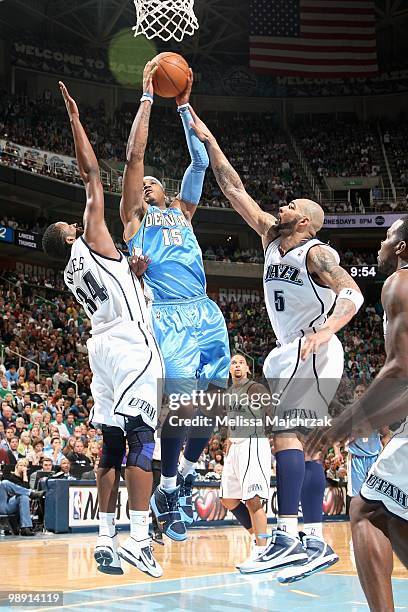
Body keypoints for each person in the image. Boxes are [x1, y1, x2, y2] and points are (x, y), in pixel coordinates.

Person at [190, 109, 364, 581]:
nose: (281, 206)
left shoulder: (317, 252)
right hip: (292, 349)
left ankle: (286, 537)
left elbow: (353, 292)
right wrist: (205, 134)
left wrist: (325, 331)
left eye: (290, 205)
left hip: (312, 347)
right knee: (304, 447)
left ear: (305, 220)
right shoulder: (272, 237)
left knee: (286, 436)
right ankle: (313, 543)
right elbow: (234, 189)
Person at [41, 79, 163, 578]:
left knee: (112, 444)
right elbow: (92, 173)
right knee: (142, 438)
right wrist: (73, 120)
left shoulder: (70, 272)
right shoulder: (89, 237)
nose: (77, 221)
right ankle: (138, 538)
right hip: (132, 346)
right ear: (69, 235)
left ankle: (106, 537)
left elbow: (117, 278)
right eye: (71, 225)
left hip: (100, 350)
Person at [121, 63, 230, 541]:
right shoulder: (134, 220)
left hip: (205, 310)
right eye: (143, 184)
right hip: (168, 315)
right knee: (182, 405)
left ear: (167, 190)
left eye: (153, 183)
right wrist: (148, 98)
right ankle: (168, 486)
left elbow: (201, 163)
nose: (147, 186)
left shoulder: (183, 211)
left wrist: (184, 107)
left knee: (217, 400)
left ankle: (184, 471)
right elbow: (134, 157)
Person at [306, 218, 408, 611]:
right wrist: (362, 421)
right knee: (390, 515)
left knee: (366, 511)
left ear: (401, 247)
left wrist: (341, 425)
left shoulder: (399, 283)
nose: (381, 245)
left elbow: (400, 371)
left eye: (387, 237)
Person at [220, 354, 271, 573]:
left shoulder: (255, 388)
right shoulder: (229, 393)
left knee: (253, 500)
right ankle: (259, 538)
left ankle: (262, 552)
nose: (237, 365)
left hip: (253, 443)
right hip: (236, 446)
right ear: (229, 370)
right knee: (228, 499)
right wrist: (230, 437)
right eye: (233, 362)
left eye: (241, 362)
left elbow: (271, 411)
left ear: (247, 369)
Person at [346, 384, 383, 498]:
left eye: (362, 391)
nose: (359, 394)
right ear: (353, 395)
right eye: (357, 391)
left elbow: (385, 433)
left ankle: (375, 516)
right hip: (357, 457)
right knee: (356, 494)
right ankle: (355, 516)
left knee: (376, 492)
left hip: (374, 456)